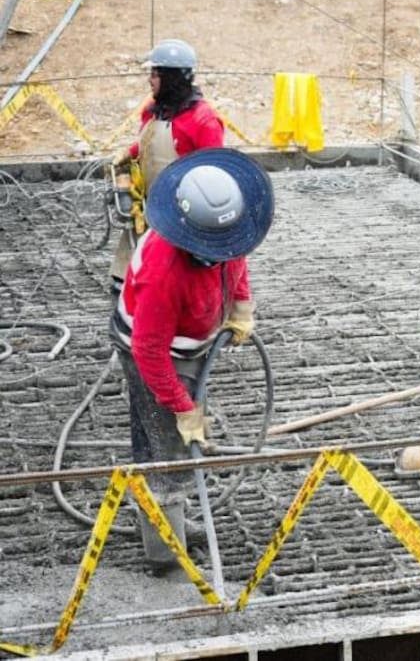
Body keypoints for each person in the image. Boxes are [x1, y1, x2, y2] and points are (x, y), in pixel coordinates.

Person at [110, 148, 273, 573]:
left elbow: (237, 256)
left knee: (174, 440)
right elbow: (148, 351)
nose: (224, 250)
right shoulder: (165, 273)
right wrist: (182, 407)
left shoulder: (226, 232)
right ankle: (165, 552)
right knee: (167, 449)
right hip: (150, 353)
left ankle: (175, 517)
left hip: (192, 346)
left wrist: (240, 305)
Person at [109, 39, 225, 293]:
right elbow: (146, 143)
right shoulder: (152, 111)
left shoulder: (203, 120)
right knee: (128, 279)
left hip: (182, 218)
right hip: (150, 208)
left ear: (172, 78)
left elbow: (213, 174)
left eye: (155, 74)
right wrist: (127, 154)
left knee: (170, 279)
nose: (149, 80)